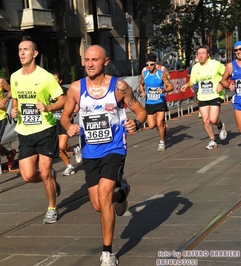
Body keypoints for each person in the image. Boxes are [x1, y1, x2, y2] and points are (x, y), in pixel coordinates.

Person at [60, 45, 147, 266]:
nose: (89, 64)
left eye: (94, 60)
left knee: (105, 193)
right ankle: (123, 193)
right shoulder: (75, 89)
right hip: (90, 152)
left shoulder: (119, 87)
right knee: (99, 205)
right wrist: (69, 126)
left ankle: (107, 253)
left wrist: (135, 123)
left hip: (114, 149)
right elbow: (65, 116)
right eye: (86, 60)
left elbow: (141, 112)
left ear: (105, 61)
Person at [10, 36, 66, 224]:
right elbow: (16, 99)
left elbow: (62, 99)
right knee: (27, 176)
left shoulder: (46, 77)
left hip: (44, 130)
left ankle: (52, 207)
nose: (22, 53)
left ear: (35, 53)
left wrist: (48, 108)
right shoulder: (15, 77)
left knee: (44, 171)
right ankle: (50, 179)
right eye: (19, 50)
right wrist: (13, 109)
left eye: (25, 49)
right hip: (25, 131)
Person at [181, 44, 227, 149]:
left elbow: (226, 74)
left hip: (215, 95)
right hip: (202, 96)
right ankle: (212, 140)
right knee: (205, 120)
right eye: (199, 53)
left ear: (208, 55)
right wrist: (187, 85)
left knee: (213, 119)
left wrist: (221, 84)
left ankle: (220, 125)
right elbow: (193, 81)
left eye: (203, 53)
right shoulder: (195, 68)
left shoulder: (216, 64)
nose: (200, 55)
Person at [139, 52, 174, 151]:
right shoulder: (144, 74)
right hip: (149, 103)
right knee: (151, 125)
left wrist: (163, 90)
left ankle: (162, 142)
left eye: (151, 64)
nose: (149, 67)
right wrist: (142, 92)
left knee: (158, 123)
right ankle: (163, 126)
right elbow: (140, 84)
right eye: (147, 65)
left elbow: (171, 86)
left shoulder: (161, 74)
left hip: (160, 101)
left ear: (156, 64)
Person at [51, 70, 79, 176]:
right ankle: (69, 166)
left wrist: (74, 112)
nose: (53, 81)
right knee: (59, 147)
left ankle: (74, 149)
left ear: (60, 80)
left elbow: (76, 104)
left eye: (55, 79)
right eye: (52, 79)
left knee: (62, 146)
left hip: (65, 121)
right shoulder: (48, 91)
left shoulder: (66, 91)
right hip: (53, 122)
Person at [221, 40, 241, 132]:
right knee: (240, 128)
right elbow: (223, 81)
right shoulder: (230, 66)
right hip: (238, 100)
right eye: (236, 50)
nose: (238, 52)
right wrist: (229, 85)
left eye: (240, 49)